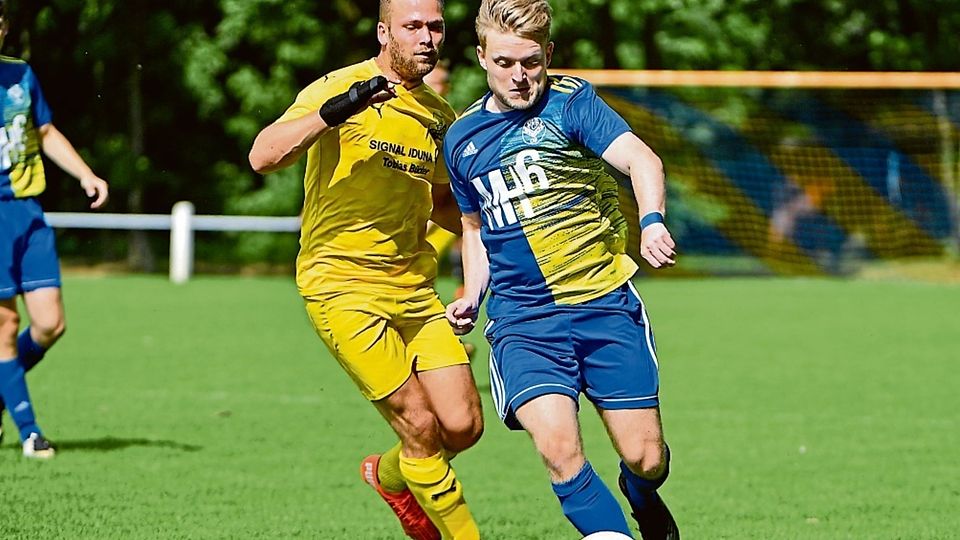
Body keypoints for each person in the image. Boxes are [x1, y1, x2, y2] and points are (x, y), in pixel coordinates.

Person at [443, 0, 679, 538]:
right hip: (524, 322)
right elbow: (475, 227)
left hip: (605, 306)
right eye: (504, 62)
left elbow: (643, 160)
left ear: (548, 54)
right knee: (558, 450)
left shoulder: (573, 104)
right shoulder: (461, 138)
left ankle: (640, 492)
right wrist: (473, 294)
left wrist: (653, 221)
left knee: (647, 459)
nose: (519, 76)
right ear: (482, 57)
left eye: (530, 61)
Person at [248, 1, 483, 539]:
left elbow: (444, 203)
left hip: (414, 290)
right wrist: (335, 112)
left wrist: (497, 229)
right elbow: (262, 155)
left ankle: (390, 477)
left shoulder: (439, 116)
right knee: (421, 428)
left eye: (436, 27)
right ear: (384, 32)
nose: (427, 38)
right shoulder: (337, 86)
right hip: (341, 286)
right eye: (413, 26)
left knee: (463, 427)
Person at [0, 1, 110, 459]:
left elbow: (44, 133)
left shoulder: (19, 74)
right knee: (5, 325)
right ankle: (29, 431)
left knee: (50, 323)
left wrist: (85, 173)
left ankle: (6, 388)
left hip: (27, 212)